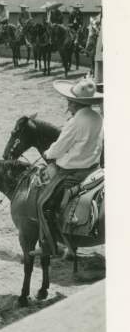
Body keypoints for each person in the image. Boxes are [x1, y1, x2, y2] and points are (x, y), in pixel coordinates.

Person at [30, 78, 104, 257]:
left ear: (75, 103)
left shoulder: (74, 122)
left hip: (73, 172)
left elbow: (59, 148)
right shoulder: (98, 117)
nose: (67, 104)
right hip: (94, 168)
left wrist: (47, 154)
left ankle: (48, 246)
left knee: (43, 203)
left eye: (69, 101)